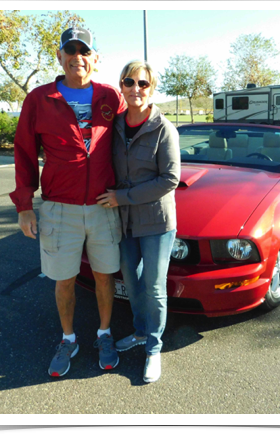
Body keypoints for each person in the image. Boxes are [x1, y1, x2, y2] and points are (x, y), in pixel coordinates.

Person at [9, 27, 127, 377]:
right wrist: (24, 205)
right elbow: (24, 154)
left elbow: (131, 139)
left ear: (95, 58)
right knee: (64, 280)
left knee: (106, 277)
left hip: (104, 206)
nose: (78, 56)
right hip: (60, 208)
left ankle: (104, 334)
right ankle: (68, 338)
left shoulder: (110, 96)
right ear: (60, 57)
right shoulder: (40, 99)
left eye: (84, 50)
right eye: (70, 50)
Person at [97, 61, 181, 383]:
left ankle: (154, 349)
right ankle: (141, 331)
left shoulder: (164, 129)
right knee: (131, 281)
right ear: (121, 86)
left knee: (155, 286)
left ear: (152, 88)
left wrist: (123, 198)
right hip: (125, 222)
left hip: (157, 222)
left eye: (143, 84)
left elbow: (170, 179)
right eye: (129, 82)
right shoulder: (115, 126)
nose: (136, 89)